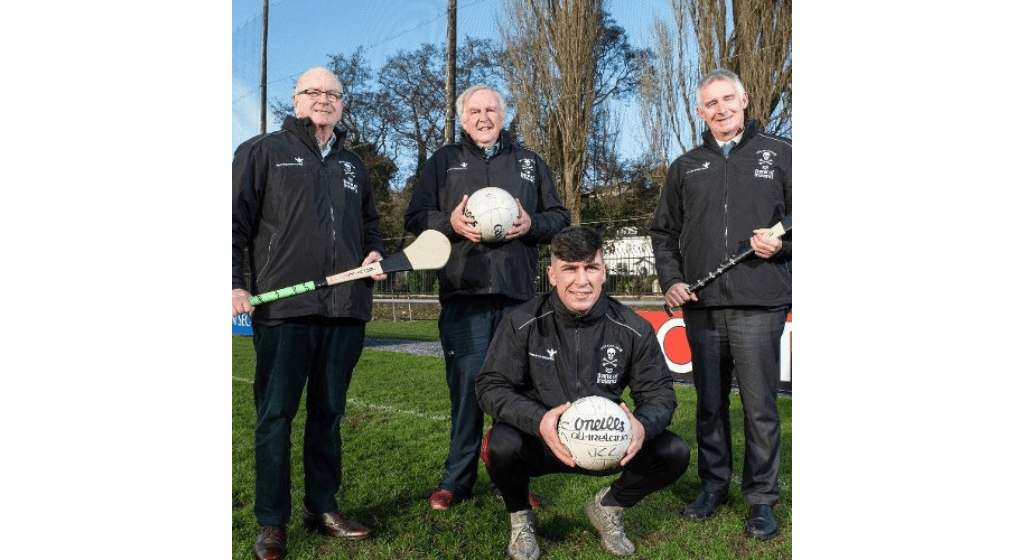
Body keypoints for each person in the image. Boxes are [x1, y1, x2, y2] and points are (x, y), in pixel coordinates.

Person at [232, 66, 386, 560]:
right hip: (283, 308)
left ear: (342, 104)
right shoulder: (262, 151)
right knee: (275, 415)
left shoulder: (353, 165)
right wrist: (234, 282)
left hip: (345, 310)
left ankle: (323, 507)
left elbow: (371, 226)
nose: (323, 99)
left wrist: (374, 255)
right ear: (296, 100)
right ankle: (272, 522)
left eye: (333, 94)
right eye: (313, 92)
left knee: (329, 413)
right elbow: (231, 223)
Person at [475, 226, 690, 559]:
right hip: (544, 442)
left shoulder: (633, 327)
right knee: (499, 444)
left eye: (591, 267)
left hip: (609, 445)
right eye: (570, 269)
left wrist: (642, 425)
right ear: (552, 274)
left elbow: (659, 392)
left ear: (604, 272)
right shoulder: (522, 322)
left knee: (674, 451)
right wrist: (539, 420)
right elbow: (490, 385)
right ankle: (520, 518)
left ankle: (609, 506)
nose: (582, 280)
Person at [404, 84, 570, 510]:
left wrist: (531, 223)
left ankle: (508, 479)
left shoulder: (530, 162)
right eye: (475, 111)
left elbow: (560, 219)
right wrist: (450, 222)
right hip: (465, 295)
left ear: (503, 115)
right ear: (463, 118)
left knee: (516, 393)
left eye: (491, 110)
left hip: (519, 299)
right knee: (468, 390)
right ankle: (456, 481)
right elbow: (415, 216)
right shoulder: (443, 161)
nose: (483, 117)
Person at [649, 68, 792, 540]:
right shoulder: (685, 167)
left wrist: (782, 246)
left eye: (728, 99)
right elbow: (664, 234)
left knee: (759, 408)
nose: (721, 109)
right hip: (702, 306)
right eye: (710, 103)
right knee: (709, 405)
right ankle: (713, 486)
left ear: (745, 99)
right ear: (700, 111)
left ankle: (761, 500)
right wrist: (671, 280)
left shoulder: (781, 155)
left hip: (760, 304)